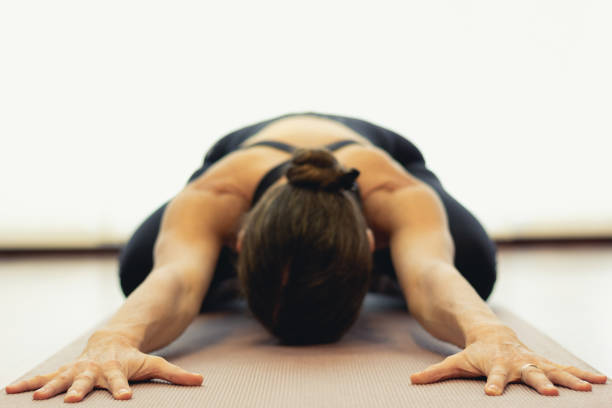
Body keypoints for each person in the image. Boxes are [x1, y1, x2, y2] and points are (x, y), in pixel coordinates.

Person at [5, 112, 607, 402]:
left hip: (384, 162)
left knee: (473, 264)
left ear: (374, 248)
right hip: (239, 173)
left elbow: (429, 273)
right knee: (139, 267)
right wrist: (115, 338)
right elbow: (178, 280)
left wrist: (488, 332)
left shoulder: (397, 195)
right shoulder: (215, 197)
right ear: (236, 245)